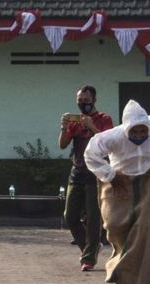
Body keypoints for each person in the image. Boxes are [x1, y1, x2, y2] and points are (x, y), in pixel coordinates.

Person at [84, 99, 150, 284]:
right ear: (127, 130)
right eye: (135, 132)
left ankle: (134, 281)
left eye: (144, 132)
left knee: (143, 228)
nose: (140, 136)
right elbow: (90, 155)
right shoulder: (112, 137)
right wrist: (110, 175)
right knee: (113, 225)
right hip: (119, 179)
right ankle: (118, 259)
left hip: (148, 177)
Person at [59, 85, 113, 271]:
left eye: (86, 101)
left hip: (95, 173)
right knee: (70, 216)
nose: (83, 104)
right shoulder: (75, 122)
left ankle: (89, 258)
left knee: (93, 216)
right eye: (80, 101)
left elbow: (107, 144)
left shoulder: (104, 119)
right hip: (77, 172)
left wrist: (92, 126)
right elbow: (62, 145)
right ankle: (90, 248)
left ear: (94, 100)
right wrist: (64, 127)